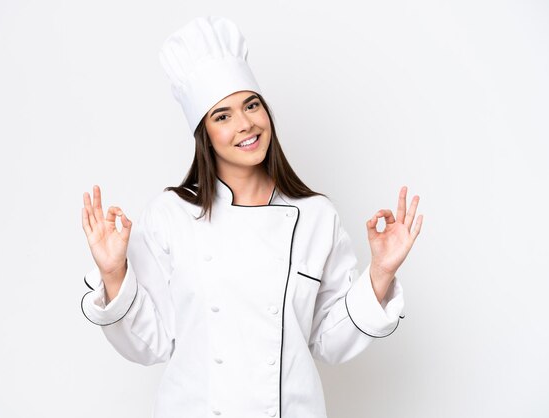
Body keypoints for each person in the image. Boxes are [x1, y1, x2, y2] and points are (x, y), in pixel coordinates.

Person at [80, 16, 423, 418]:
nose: (246, 124)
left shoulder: (315, 217)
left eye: (251, 104)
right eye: (222, 116)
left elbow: (329, 341)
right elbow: (151, 342)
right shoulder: (170, 215)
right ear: (204, 133)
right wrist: (113, 275)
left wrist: (380, 272)